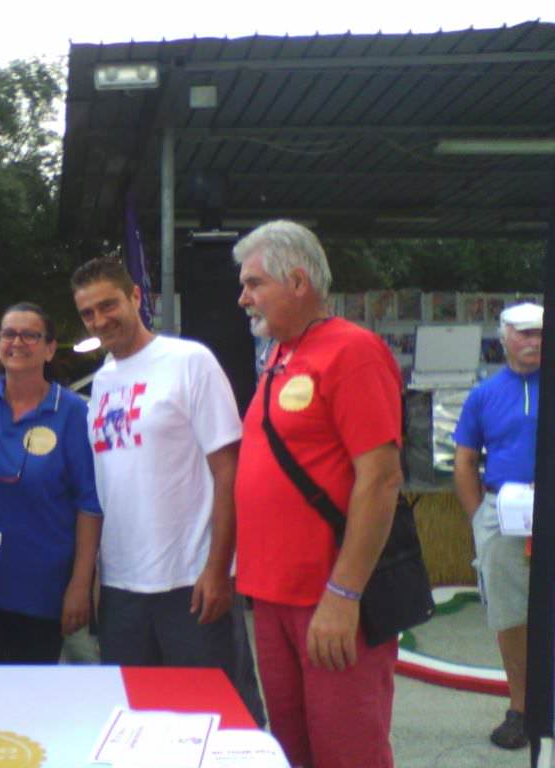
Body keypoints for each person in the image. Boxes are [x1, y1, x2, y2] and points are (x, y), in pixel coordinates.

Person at [233, 220, 404, 768]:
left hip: (328, 600)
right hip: (273, 599)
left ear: (299, 282)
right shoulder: (281, 358)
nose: (244, 298)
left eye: (254, 283)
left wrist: (345, 594)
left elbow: (380, 479)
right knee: (292, 751)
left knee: (347, 752)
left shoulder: (353, 351)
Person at [70, 257, 264, 722]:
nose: (99, 320)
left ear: (137, 296)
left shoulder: (189, 362)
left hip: (190, 582)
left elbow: (228, 471)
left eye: (108, 304)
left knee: (221, 720)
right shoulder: (102, 381)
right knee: (139, 721)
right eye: (87, 313)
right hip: (122, 589)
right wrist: (95, 576)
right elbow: (109, 486)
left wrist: (219, 570)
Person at [0, 302, 102, 663]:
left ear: (49, 348)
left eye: (30, 335)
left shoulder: (72, 413)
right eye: (9, 333)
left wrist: (79, 585)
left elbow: (89, 506)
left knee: (32, 702)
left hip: (41, 591)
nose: (18, 342)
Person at [453, 301, 542, 750]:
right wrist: (479, 519)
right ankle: (521, 709)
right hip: (502, 513)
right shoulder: (484, 394)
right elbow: (465, 459)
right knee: (511, 616)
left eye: (541, 334)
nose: (533, 342)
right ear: (504, 336)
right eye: (524, 333)